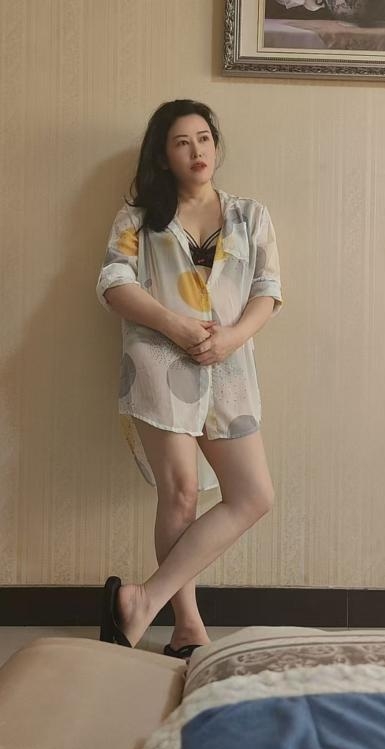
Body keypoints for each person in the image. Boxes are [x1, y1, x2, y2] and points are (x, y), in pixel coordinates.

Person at [96, 99, 283, 655]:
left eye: (204, 138)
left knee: (253, 495)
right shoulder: (137, 219)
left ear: (215, 146)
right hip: (159, 364)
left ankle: (142, 601)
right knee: (179, 494)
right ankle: (187, 627)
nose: (196, 150)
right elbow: (113, 283)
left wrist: (232, 337)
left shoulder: (250, 215)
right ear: (163, 155)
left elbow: (268, 290)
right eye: (182, 142)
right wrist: (175, 326)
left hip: (230, 367)